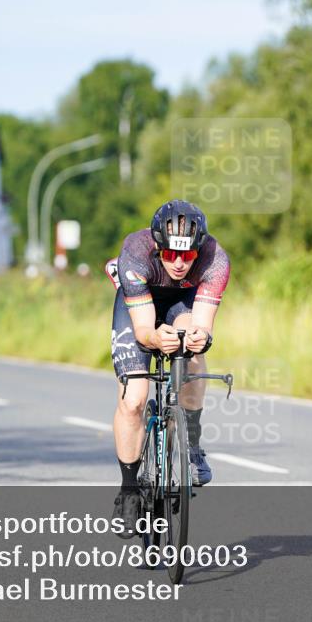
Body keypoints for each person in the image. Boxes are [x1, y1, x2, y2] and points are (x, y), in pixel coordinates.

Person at [105, 200, 230, 537]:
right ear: (157, 246)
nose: (178, 263)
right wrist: (156, 339)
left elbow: (203, 327)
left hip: (182, 304)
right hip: (139, 304)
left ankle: (192, 444)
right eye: (171, 254)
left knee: (192, 348)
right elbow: (144, 331)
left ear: (198, 250)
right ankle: (129, 490)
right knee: (133, 398)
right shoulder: (135, 251)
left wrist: (197, 338)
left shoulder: (215, 261)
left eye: (187, 256)